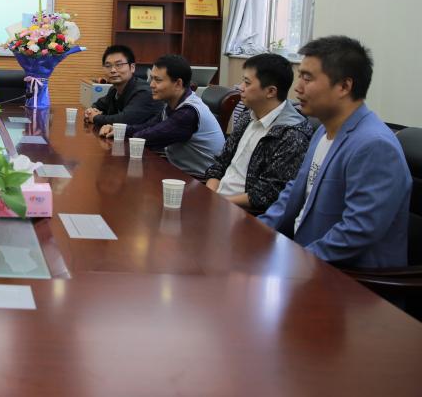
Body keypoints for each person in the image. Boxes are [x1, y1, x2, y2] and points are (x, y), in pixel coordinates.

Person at [259, 36, 410, 267]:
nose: (298, 87)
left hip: (348, 278)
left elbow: (357, 231)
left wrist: (294, 262)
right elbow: (295, 192)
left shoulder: (374, 145)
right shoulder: (323, 129)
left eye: (307, 78)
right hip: (305, 256)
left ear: (344, 86)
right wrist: (256, 232)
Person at [204, 53, 315, 210]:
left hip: (245, 213)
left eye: (247, 83)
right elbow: (220, 164)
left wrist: (219, 202)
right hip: (218, 200)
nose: (240, 87)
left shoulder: (292, 134)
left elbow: (267, 194)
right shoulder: (247, 116)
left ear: (270, 91)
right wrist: (210, 195)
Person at [99, 54, 224, 177]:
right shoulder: (172, 104)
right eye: (151, 79)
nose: (151, 85)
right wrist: (118, 129)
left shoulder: (187, 113)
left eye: (157, 80)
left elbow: (147, 137)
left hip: (200, 181)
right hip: (179, 172)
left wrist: (124, 132)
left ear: (178, 84)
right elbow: (147, 127)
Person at [83, 44, 161, 128]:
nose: (113, 70)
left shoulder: (144, 92)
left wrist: (95, 118)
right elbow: (98, 105)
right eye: (108, 66)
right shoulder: (114, 90)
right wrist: (90, 111)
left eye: (119, 65)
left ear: (132, 67)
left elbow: (124, 120)